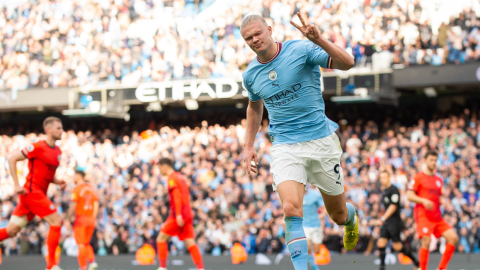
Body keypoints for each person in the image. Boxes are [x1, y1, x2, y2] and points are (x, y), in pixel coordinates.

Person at [240, 13, 358, 270]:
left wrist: (319, 39)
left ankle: (351, 219)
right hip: (284, 145)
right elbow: (254, 107)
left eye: (258, 33)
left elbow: (348, 63)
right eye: (248, 38)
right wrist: (248, 144)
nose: (254, 40)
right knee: (291, 208)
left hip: (321, 141)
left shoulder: (301, 49)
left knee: (337, 216)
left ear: (269, 29)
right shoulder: (250, 74)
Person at [0, 117, 65, 270]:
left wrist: (57, 181)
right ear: (48, 130)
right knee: (56, 221)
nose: (61, 131)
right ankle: (51, 266)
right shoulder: (37, 147)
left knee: (12, 231)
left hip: (37, 195)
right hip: (31, 192)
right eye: (58, 128)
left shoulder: (57, 151)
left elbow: (46, 173)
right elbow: (12, 158)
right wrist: (16, 185)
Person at [407, 150, 459, 270]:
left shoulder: (438, 180)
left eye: (435, 160)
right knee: (427, 240)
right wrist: (423, 201)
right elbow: (409, 196)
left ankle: (441, 268)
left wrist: (444, 202)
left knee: (453, 238)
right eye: (431, 160)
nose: (433, 162)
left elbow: (438, 197)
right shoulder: (418, 177)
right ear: (425, 160)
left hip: (437, 217)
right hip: (423, 215)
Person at [156, 158, 204, 270]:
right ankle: (201, 268)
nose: (160, 171)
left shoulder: (172, 178)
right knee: (190, 242)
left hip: (179, 214)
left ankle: (162, 268)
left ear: (164, 166)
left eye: (159, 168)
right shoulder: (180, 177)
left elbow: (177, 196)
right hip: (187, 213)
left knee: (161, 239)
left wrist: (178, 215)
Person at [376, 170, 419, 270]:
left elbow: (393, 206)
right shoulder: (385, 191)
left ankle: (416, 262)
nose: (382, 180)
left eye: (384, 177)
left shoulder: (394, 190)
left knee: (398, 247)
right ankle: (382, 268)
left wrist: (382, 218)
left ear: (389, 178)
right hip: (387, 222)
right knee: (381, 243)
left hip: (394, 222)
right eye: (381, 178)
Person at [68, 171, 99, 270]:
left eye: (74, 175)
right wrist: (93, 217)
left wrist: (68, 218)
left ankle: (83, 267)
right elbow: (96, 204)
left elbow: (73, 205)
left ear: (78, 176)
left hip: (81, 219)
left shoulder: (77, 189)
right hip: (91, 219)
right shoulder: (91, 189)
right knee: (86, 243)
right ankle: (92, 262)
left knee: (81, 244)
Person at [303, 185, 324, 270]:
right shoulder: (297, 195)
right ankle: (315, 267)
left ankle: (312, 261)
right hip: (304, 225)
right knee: (307, 247)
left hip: (315, 226)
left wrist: (322, 216)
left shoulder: (315, 195)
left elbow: (324, 208)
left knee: (317, 250)